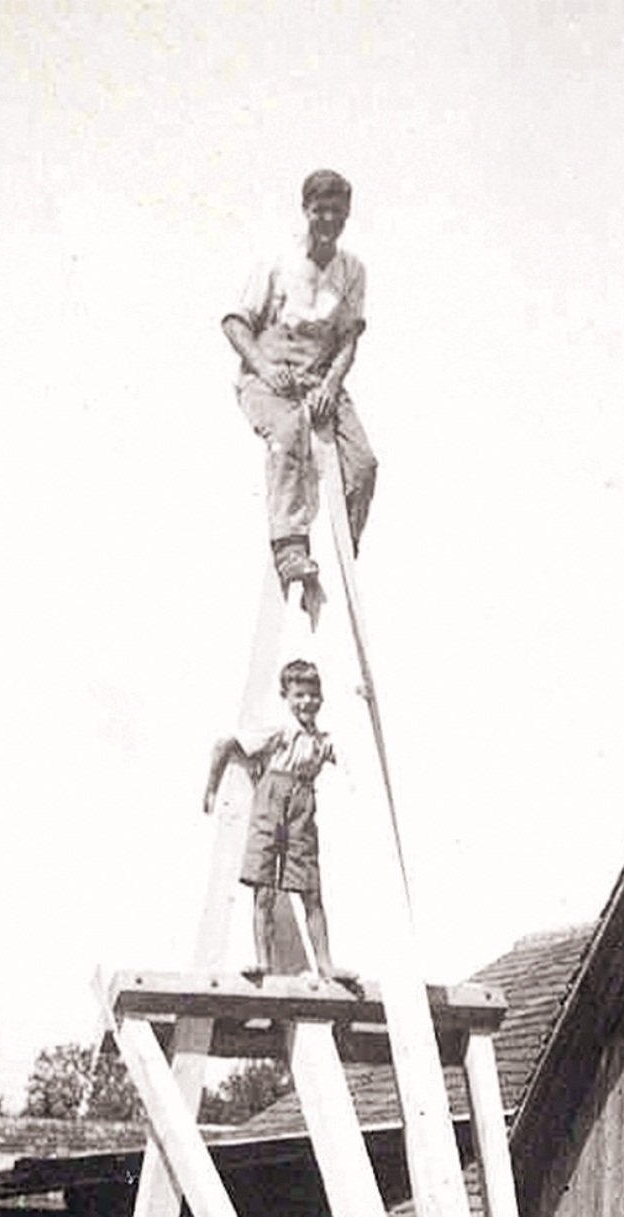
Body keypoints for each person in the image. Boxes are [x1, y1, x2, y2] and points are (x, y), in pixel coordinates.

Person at [222, 168, 377, 593]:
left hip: (319, 379)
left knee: (363, 465)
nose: (328, 221)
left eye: (337, 213)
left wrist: (330, 384)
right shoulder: (276, 262)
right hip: (270, 376)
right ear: (305, 211)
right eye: (320, 211)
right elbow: (235, 323)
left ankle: (341, 546)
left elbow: (348, 337)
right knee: (290, 435)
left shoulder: (351, 271)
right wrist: (265, 368)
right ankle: (290, 546)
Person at [203, 656, 357, 988]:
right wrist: (211, 790)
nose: (307, 702)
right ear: (286, 697)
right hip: (272, 801)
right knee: (264, 888)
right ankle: (263, 959)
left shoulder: (322, 740)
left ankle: (326, 963)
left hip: (302, 808)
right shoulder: (279, 730)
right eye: (299, 694)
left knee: (311, 889)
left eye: (313, 694)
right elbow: (224, 743)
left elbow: (351, 759)